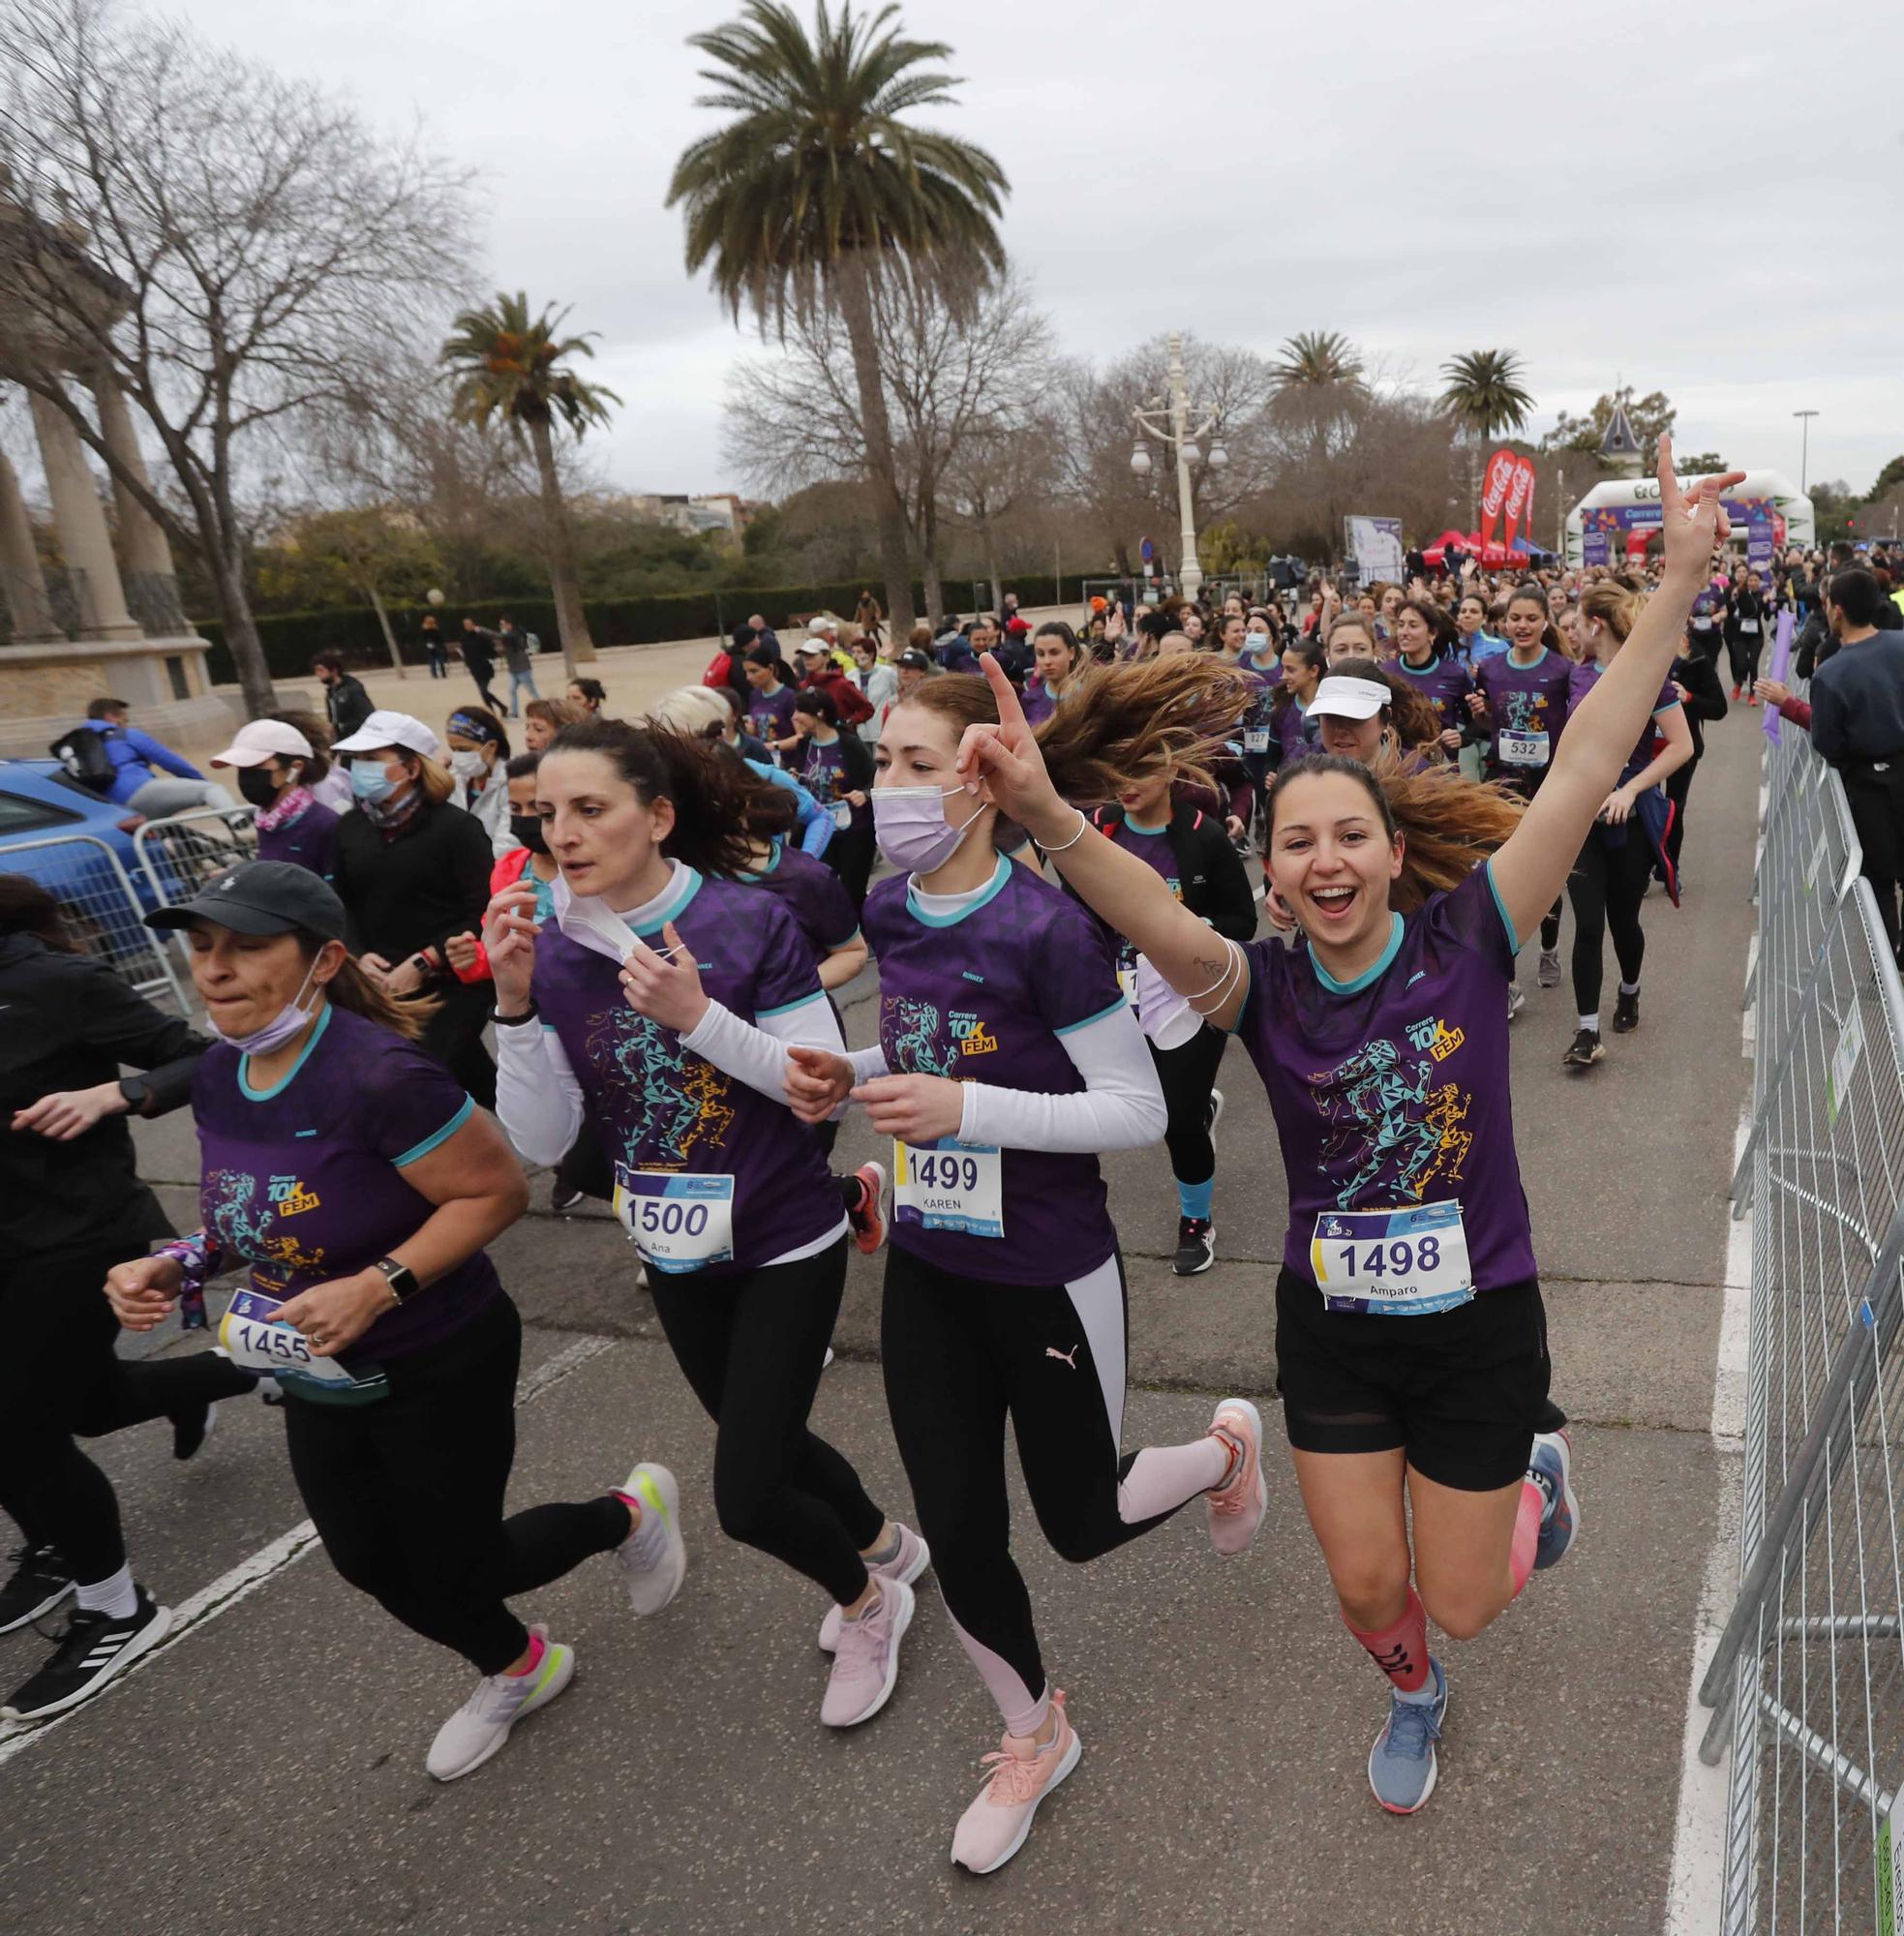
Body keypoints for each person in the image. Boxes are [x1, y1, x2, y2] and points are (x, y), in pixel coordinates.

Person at [949, 441, 1736, 1820]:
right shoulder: (1257, 986)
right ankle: (1408, 1693)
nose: (1322, 861)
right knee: (1373, 1591)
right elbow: (1144, 914)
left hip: (1479, 1321)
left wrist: (1670, 583)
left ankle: (1533, 1483)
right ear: (1272, 869)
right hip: (1335, 1327)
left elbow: (1587, 753)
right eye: (1295, 843)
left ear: (1387, 850)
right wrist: (1039, 812)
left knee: (1470, 1599)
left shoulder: (1471, 936)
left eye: (1346, 838)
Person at [780, 658, 1269, 1873]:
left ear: (983, 779)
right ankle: (1032, 1730)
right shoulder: (890, 910)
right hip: (933, 1268)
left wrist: (968, 1109)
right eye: (877, 762)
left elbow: (1132, 1111)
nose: (881, 788)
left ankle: (1222, 1450)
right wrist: (847, 1074)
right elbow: (923, 1049)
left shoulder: (1047, 925)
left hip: (1050, 1268)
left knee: (1084, 1519)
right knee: (957, 1519)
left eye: (910, 764)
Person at [115, 861, 683, 1778]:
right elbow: (243, 1217)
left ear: (323, 958)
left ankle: (625, 1516)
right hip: (315, 1368)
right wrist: (177, 1260)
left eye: (248, 947)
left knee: (466, 1564)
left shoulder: (379, 1073)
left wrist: (377, 1285)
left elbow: (495, 1192)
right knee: (367, 1561)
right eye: (202, 946)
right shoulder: (220, 1073)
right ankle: (519, 1666)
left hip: (437, 1356)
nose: (214, 968)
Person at [486, 717, 922, 1730]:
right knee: (758, 1437)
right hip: (670, 1246)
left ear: (659, 816)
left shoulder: (745, 922)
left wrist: (696, 1017)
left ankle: (868, 1604)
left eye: (590, 808)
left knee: (745, 1494)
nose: (565, 834)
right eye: (548, 814)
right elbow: (549, 1140)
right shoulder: (553, 951)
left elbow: (820, 1090)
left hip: (784, 1235)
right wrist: (512, 1005)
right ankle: (886, 1545)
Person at [0, 876, 257, 1721]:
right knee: (93, 1405)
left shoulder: (54, 984)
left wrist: (115, 1093)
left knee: (21, 1424)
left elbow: (206, 1056)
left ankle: (118, 1609)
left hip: (72, 1235)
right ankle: (227, 1374)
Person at [1082, 766, 1255, 1275]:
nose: (1124, 781)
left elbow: (1243, 921)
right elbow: (1073, 916)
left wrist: (1190, 928)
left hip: (1189, 999)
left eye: (1138, 767)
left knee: (1176, 1120)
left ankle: (1196, 1223)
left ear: (1171, 768)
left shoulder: (1205, 836)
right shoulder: (1098, 829)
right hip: (1118, 996)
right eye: (1114, 768)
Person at [328, 710, 498, 1109]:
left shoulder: (456, 828)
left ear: (410, 767)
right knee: (469, 1073)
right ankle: (559, 1136)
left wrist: (425, 961)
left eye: (372, 759)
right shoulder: (350, 828)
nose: (359, 769)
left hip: (453, 981)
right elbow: (345, 902)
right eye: (356, 760)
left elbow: (483, 911)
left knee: (418, 1079)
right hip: (383, 983)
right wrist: (357, 953)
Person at [1559, 580, 1693, 1065]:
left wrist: (1631, 789)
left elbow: (1682, 746)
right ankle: (1587, 1032)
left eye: (1576, 622)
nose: (1571, 631)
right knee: (1588, 923)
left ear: (1595, 624)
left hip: (1631, 819)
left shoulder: (1648, 677)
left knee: (1623, 921)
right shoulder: (1574, 677)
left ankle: (1630, 989)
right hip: (1580, 820)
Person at [1771, 568, 1904, 958]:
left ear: (1837, 611)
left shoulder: (1831, 674)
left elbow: (1828, 743)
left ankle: (1886, 969)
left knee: (1878, 879)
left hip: (1867, 784)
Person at [1468, 586, 1576, 1012]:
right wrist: (1479, 716)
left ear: (1546, 622)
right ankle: (1506, 973)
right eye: (1516, 619)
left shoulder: (1563, 670)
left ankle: (1548, 949)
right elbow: (1482, 725)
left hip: (1548, 789)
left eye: (1532, 618)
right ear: (1504, 622)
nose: (1523, 626)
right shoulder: (1490, 669)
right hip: (1503, 788)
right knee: (1502, 879)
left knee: (1549, 877)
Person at [210, 719, 342, 881]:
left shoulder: (325, 824)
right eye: (241, 769)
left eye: (256, 766)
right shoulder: (267, 822)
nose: (246, 776)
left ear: (296, 767)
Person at [69, 698, 237, 820]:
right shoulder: (125, 735)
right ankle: (238, 820)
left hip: (113, 810)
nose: (125, 723)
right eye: (123, 719)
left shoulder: (75, 747)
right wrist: (201, 783)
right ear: (110, 717)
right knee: (213, 790)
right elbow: (172, 763)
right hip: (139, 791)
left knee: (166, 834)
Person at [790, 686, 876, 912]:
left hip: (853, 831)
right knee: (821, 887)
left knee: (852, 891)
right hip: (819, 828)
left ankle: (862, 939)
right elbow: (803, 778)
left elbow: (874, 778)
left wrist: (863, 793)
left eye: (800, 711)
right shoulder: (803, 745)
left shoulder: (849, 744)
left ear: (819, 713)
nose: (794, 717)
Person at [1667, 625, 1727, 883]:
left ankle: (1669, 867)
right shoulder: (1634, 655)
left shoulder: (1697, 659)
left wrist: (1688, 697)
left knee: (1673, 809)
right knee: (1642, 811)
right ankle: (1642, 869)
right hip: (1642, 750)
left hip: (1682, 747)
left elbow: (1718, 708)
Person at [1392, 598, 1474, 764]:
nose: (1404, 632)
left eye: (1413, 626)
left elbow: (1478, 725)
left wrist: (1461, 737)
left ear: (1432, 633)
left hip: (1442, 774)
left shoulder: (1454, 674)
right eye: (1401, 625)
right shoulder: (1387, 673)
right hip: (1398, 773)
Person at [443, 708, 514, 859]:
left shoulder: (511, 783)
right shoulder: (453, 779)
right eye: (453, 749)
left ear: (491, 747)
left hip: (493, 870)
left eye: (464, 749)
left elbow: (507, 844)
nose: (457, 756)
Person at [796, 633, 874, 729]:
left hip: (842, 740)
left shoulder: (842, 684)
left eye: (811, 655)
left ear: (827, 657)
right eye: (803, 656)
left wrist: (848, 722)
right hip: (812, 741)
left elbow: (867, 709)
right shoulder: (802, 686)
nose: (806, 659)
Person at [1272, 636, 1327, 768]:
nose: (1283, 676)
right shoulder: (1281, 710)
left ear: (1313, 670)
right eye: (1283, 668)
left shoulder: (1330, 711)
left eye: (1291, 670)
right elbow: (1272, 759)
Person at [743, 643, 803, 759]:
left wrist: (772, 746)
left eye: (754, 671)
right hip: (765, 760)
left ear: (770, 668)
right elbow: (756, 728)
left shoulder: (789, 697)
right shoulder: (754, 695)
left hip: (788, 761)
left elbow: (801, 736)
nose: (748, 677)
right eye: (746, 672)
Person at [1021, 622, 1086, 727]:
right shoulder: (1030, 699)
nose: (1047, 661)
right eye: (1041, 654)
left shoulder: (1090, 696)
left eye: (1054, 652)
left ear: (1071, 653)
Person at [311, 652, 376, 745]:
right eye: (316, 671)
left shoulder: (352, 690)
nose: (317, 674)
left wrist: (340, 726)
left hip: (355, 741)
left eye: (321, 670)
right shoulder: (331, 692)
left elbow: (368, 717)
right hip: (341, 741)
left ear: (334, 670)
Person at [1723, 570, 1769, 701]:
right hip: (1740, 635)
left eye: (1756, 580)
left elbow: (1766, 615)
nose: (1753, 583)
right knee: (1742, 663)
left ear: (1760, 582)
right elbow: (1732, 611)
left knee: (1753, 664)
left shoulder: (1762, 595)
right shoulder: (1740, 594)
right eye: (1751, 580)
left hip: (1756, 635)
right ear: (1747, 582)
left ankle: (1752, 695)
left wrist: (1768, 603)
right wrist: (1733, 599)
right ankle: (1738, 683)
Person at [849, 635, 897, 745]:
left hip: (882, 731)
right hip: (860, 733)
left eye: (859, 652)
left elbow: (898, 693)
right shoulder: (850, 676)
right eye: (853, 652)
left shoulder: (887, 673)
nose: (855, 656)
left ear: (870, 655)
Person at [496, 617, 540, 718]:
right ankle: (515, 713)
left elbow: (499, 636)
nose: (501, 627)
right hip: (513, 669)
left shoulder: (515, 635)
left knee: (531, 691)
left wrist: (482, 630)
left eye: (502, 624)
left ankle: (543, 709)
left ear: (509, 625)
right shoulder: (508, 636)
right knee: (512, 690)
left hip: (522, 668)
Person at [458, 620, 505, 713]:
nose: (468, 626)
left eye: (469, 624)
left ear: (473, 624)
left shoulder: (481, 636)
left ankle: (493, 710)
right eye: (466, 625)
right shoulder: (464, 638)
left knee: (483, 691)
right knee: (483, 692)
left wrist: (489, 658)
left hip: (484, 667)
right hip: (474, 668)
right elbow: (466, 653)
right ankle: (499, 708)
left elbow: (490, 648)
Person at [1453, 592, 1508, 670]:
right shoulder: (1450, 648)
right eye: (1463, 611)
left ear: (1484, 619)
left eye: (1474, 611)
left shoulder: (1498, 647)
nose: (1467, 615)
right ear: (1458, 617)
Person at [419, 614, 450, 680]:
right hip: (435, 646)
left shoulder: (431, 629)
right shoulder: (431, 629)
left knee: (436, 661)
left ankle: (437, 674)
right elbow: (440, 638)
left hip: (433, 646)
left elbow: (423, 639)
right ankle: (439, 674)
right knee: (436, 661)